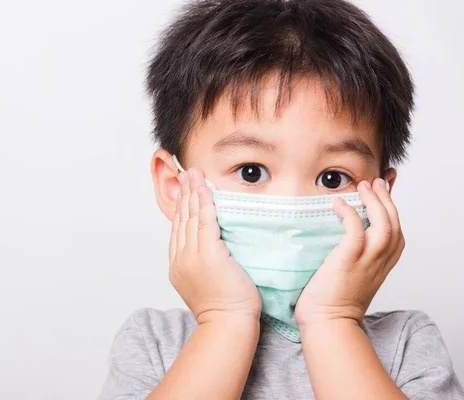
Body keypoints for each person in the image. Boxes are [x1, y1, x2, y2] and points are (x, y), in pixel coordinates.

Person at [98, 0, 464, 398]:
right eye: (251, 171)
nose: (291, 205)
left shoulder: (406, 344)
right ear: (174, 186)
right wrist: (225, 320)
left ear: (381, 199)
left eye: (332, 177)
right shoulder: (153, 342)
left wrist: (332, 319)